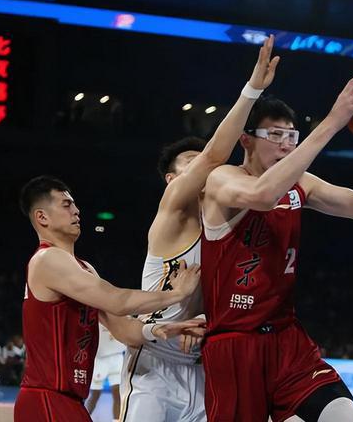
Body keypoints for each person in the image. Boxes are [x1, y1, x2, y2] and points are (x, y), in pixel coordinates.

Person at [200, 76, 353, 422]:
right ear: (246, 139)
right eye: (275, 135)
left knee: (345, 416)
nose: (286, 144)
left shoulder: (301, 184)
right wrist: (333, 120)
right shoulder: (222, 179)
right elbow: (262, 195)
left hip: (288, 340)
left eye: (291, 136)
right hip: (235, 342)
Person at [120, 35, 280, 422]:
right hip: (155, 362)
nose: (204, 168)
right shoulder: (173, 213)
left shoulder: (226, 228)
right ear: (172, 180)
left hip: (203, 366)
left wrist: (208, 320)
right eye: (190, 164)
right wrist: (252, 90)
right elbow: (214, 156)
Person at [14, 176, 204, 422]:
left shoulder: (84, 268)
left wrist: (160, 329)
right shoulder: (47, 259)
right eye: (66, 205)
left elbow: (124, 330)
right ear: (42, 217)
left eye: (74, 204)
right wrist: (176, 294)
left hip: (68, 400)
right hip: (46, 397)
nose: (76, 210)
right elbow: (118, 300)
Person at [85, 323, 126, 420]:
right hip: (100, 359)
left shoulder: (123, 316)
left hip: (117, 356)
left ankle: (117, 420)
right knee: (95, 394)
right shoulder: (97, 317)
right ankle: (82, 418)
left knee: (118, 394)